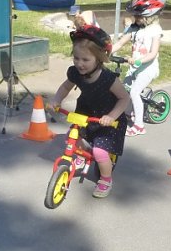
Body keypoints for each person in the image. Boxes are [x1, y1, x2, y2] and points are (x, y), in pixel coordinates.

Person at [49, 25, 130, 199]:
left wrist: (111, 116)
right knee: (72, 137)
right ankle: (83, 155)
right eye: (76, 58)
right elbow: (65, 87)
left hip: (108, 118)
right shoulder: (76, 73)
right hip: (86, 112)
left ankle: (106, 179)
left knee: (100, 152)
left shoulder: (108, 78)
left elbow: (124, 98)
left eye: (85, 60)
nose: (79, 63)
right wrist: (57, 100)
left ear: (99, 58)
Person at [112, 0, 165, 137]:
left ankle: (139, 126)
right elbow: (121, 42)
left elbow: (153, 53)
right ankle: (131, 113)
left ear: (150, 16)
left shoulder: (155, 30)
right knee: (124, 91)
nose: (135, 18)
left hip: (148, 68)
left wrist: (138, 60)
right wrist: (107, 51)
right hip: (134, 67)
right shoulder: (134, 28)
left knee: (134, 92)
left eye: (138, 16)